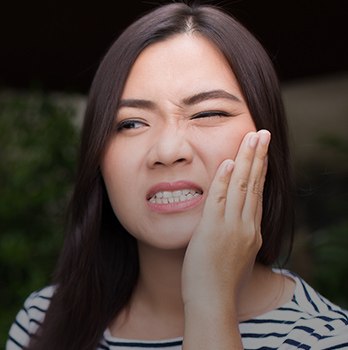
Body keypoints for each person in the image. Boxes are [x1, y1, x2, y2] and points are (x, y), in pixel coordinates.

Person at [6, 2, 348, 349]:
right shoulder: (44, 320)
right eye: (131, 123)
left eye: (207, 113)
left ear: (266, 135)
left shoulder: (325, 340)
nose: (168, 151)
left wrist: (210, 305)